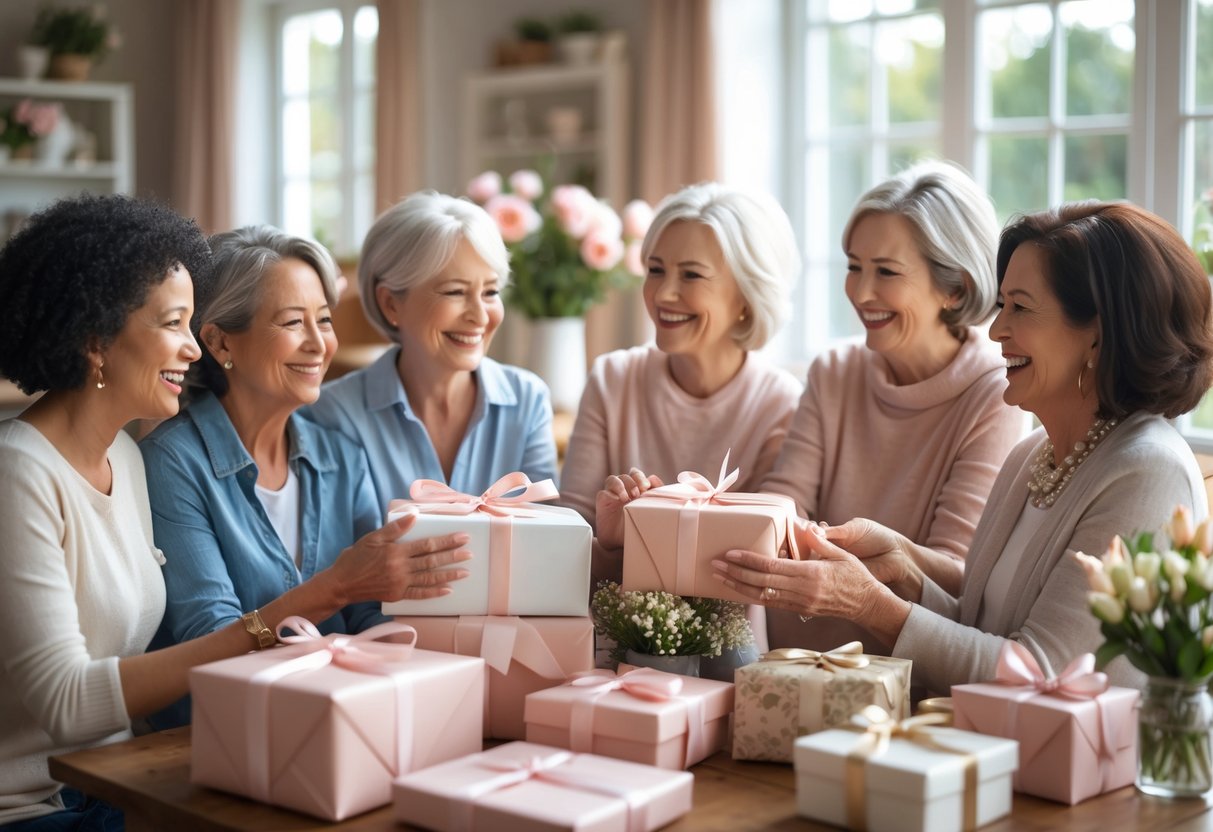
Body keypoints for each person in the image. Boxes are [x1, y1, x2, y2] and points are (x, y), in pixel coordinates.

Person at [714, 201, 1213, 692]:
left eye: (1020, 307)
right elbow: (978, 628)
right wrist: (903, 566)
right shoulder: (1033, 456)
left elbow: (1041, 675)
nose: (996, 329)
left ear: (1097, 337)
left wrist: (868, 604)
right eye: (1002, 305)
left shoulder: (1147, 471)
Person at [140, 225, 473, 727]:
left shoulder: (341, 457)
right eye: (294, 323)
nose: (320, 344)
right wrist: (335, 587)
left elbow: (372, 614)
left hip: (341, 721)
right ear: (219, 341)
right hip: (214, 741)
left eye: (324, 319)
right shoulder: (172, 462)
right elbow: (209, 644)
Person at [0, 195, 215, 827]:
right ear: (96, 340)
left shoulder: (127, 453)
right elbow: (67, 704)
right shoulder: (18, 473)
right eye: (173, 323)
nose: (194, 349)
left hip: (114, 784)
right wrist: (268, 627)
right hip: (31, 808)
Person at [759, 161, 1026, 652]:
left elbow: (957, 571)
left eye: (886, 271)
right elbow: (782, 499)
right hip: (785, 659)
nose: (860, 293)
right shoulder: (834, 370)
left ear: (956, 289)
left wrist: (815, 545)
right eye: (854, 266)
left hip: (902, 673)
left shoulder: (996, 391)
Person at [558, 182, 804, 593]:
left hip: (732, 650)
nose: (663, 294)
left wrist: (628, 539)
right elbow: (564, 550)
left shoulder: (783, 403)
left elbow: (757, 569)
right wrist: (612, 535)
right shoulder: (612, 379)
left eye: (691, 275)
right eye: (655, 270)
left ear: (746, 296)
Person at [303, 191, 556, 510]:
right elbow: (350, 552)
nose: (479, 316)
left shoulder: (528, 400)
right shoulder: (333, 415)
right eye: (454, 292)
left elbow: (549, 532)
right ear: (391, 303)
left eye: (490, 291)